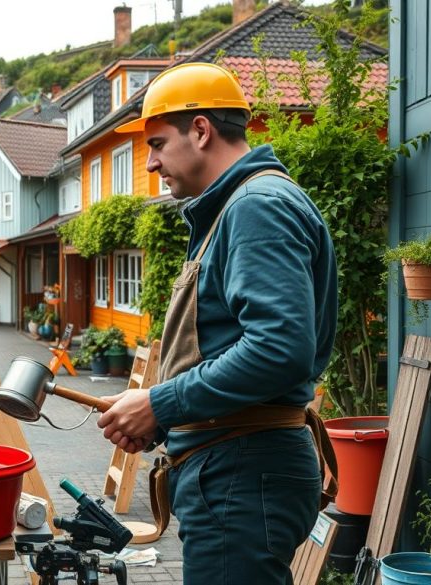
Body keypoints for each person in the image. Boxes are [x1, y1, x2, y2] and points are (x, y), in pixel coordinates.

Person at [97, 62, 339, 583]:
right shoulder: (234, 208)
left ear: (201, 130)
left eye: (157, 144)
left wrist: (160, 402)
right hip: (233, 469)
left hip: (242, 471)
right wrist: (162, 420)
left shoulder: (257, 207)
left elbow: (278, 349)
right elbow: (230, 342)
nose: (152, 164)